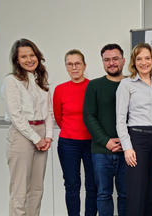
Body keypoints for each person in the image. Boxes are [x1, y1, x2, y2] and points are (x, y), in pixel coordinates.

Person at [3, 38, 53, 216]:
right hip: (22, 135)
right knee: (20, 191)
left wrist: (47, 137)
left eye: (32, 55)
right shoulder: (12, 81)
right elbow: (16, 116)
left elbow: (48, 111)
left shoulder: (41, 79)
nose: (29, 59)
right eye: (24, 56)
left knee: (37, 189)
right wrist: (36, 139)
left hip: (41, 135)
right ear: (17, 60)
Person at [116, 43, 152, 216]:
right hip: (137, 139)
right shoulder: (126, 84)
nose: (144, 62)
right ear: (133, 62)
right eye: (139, 59)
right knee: (136, 192)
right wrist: (127, 147)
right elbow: (120, 119)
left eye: (147, 58)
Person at [83, 44, 127, 216]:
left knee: (126, 195)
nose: (111, 63)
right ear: (102, 62)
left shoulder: (132, 84)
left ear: (123, 60)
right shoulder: (94, 86)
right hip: (101, 151)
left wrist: (125, 142)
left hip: (127, 150)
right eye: (107, 60)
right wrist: (106, 141)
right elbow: (89, 116)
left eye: (115, 59)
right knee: (103, 194)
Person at [53, 49, 97, 216]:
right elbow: (58, 117)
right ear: (66, 67)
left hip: (92, 143)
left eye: (77, 63)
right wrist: (72, 131)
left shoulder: (93, 87)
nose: (74, 67)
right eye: (70, 64)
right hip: (68, 144)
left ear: (84, 65)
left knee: (92, 185)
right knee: (72, 185)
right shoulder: (60, 89)